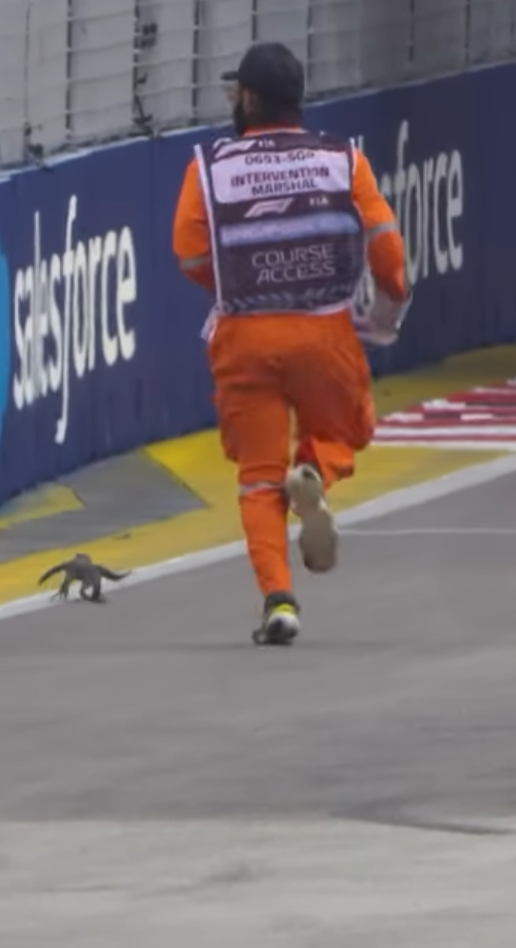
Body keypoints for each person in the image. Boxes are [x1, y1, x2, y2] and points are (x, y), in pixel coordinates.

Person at [170, 42, 412, 646]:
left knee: (256, 476)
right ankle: (314, 472)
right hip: (323, 331)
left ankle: (278, 600)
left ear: (249, 99)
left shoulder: (209, 166)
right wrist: (384, 317)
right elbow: (389, 256)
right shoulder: (343, 161)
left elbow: (191, 253)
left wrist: (236, 282)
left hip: (244, 337)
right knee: (346, 429)